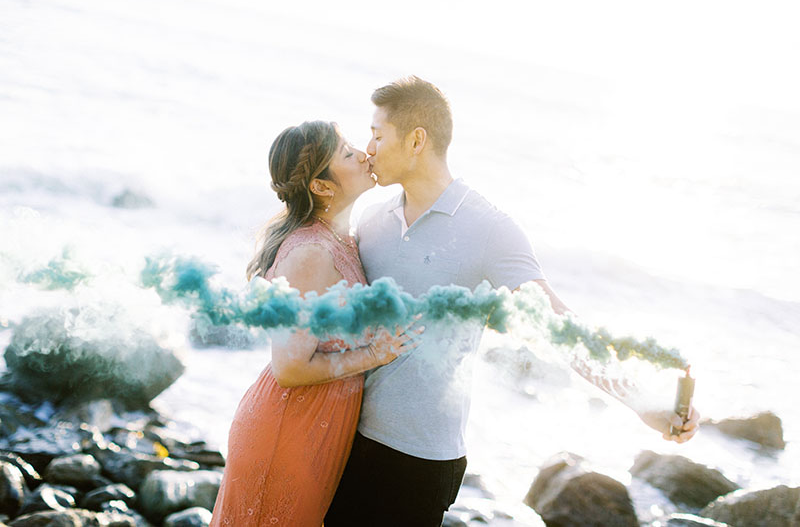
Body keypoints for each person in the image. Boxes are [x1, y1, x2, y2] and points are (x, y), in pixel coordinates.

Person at [324, 76, 700, 526]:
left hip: (420, 459)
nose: (368, 149)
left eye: (378, 135)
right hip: (347, 440)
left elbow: (559, 326)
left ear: (416, 140)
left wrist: (645, 404)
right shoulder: (372, 217)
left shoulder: (489, 229)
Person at [209, 121, 419, 527]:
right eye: (345, 153)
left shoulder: (343, 237)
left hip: (319, 426)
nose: (362, 153)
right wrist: (373, 354)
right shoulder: (310, 254)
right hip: (288, 430)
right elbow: (289, 368)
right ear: (322, 187)